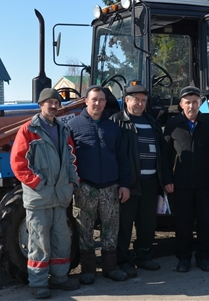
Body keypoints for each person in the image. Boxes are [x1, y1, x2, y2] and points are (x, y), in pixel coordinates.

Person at [10, 88, 80, 299]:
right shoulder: (28, 130)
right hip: (39, 198)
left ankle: (60, 278)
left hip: (60, 197)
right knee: (39, 242)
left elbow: (71, 160)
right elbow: (19, 163)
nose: (52, 105)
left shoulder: (63, 130)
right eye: (48, 102)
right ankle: (38, 282)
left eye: (56, 102)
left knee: (62, 240)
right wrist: (39, 183)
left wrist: (71, 183)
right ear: (40, 105)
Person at [67, 85, 131, 285]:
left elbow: (122, 158)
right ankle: (88, 270)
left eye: (101, 100)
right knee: (84, 229)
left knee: (111, 229)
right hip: (85, 187)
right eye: (94, 99)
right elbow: (68, 158)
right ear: (86, 101)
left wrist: (124, 185)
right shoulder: (73, 126)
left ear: (105, 103)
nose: (98, 103)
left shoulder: (113, 127)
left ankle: (110, 268)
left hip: (111, 187)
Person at [110, 83, 171, 278]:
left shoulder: (152, 123)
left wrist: (165, 179)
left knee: (147, 223)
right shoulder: (116, 122)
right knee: (124, 225)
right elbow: (113, 155)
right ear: (126, 100)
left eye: (143, 100)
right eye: (135, 99)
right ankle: (123, 261)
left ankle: (144, 256)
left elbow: (162, 154)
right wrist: (121, 183)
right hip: (129, 184)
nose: (140, 103)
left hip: (151, 182)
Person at [164, 86, 209, 273]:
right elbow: (166, 156)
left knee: (205, 222)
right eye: (187, 102)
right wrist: (167, 180)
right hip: (180, 184)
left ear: (200, 104)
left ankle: (204, 257)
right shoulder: (173, 125)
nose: (191, 105)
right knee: (183, 223)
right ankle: (184, 259)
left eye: (195, 102)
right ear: (181, 104)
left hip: (204, 182)